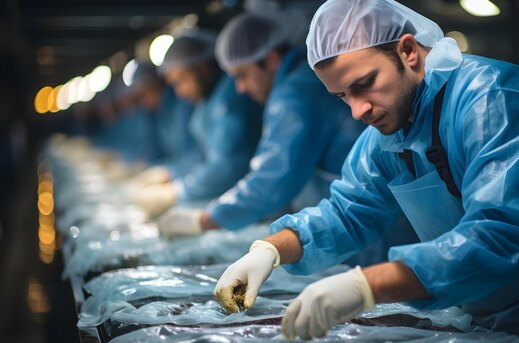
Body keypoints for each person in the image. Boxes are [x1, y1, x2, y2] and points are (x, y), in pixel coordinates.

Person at [212, 1, 519, 343]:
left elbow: (501, 234)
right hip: (484, 310)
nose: (358, 110)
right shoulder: (391, 133)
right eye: (343, 97)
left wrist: (365, 286)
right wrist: (267, 251)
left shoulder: (493, 97)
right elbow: (346, 214)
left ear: (409, 51)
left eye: (365, 84)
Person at [156, 12, 365, 237]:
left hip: (362, 225)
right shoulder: (297, 81)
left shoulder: (294, 95)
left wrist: (206, 219)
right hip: (352, 219)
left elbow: (274, 176)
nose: (240, 89)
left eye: (242, 75)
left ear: (272, 58)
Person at [129, 30, 263, 219]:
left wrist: (177, 191)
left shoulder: (229, 99)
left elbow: (227, 167)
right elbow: (202, 157)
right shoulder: (205, 104)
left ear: (202, 68)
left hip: (252, 205)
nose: (179, 93)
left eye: (181, 81)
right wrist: (170, 172)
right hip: (235, 203)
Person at [126, 61, 199, 178]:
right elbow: (155, 150)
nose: (143, 102)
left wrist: (170, 171)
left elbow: (196, 155)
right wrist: (144, 165)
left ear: (156, 85)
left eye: (144, 94)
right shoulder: (158, 113)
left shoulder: (183, 106)